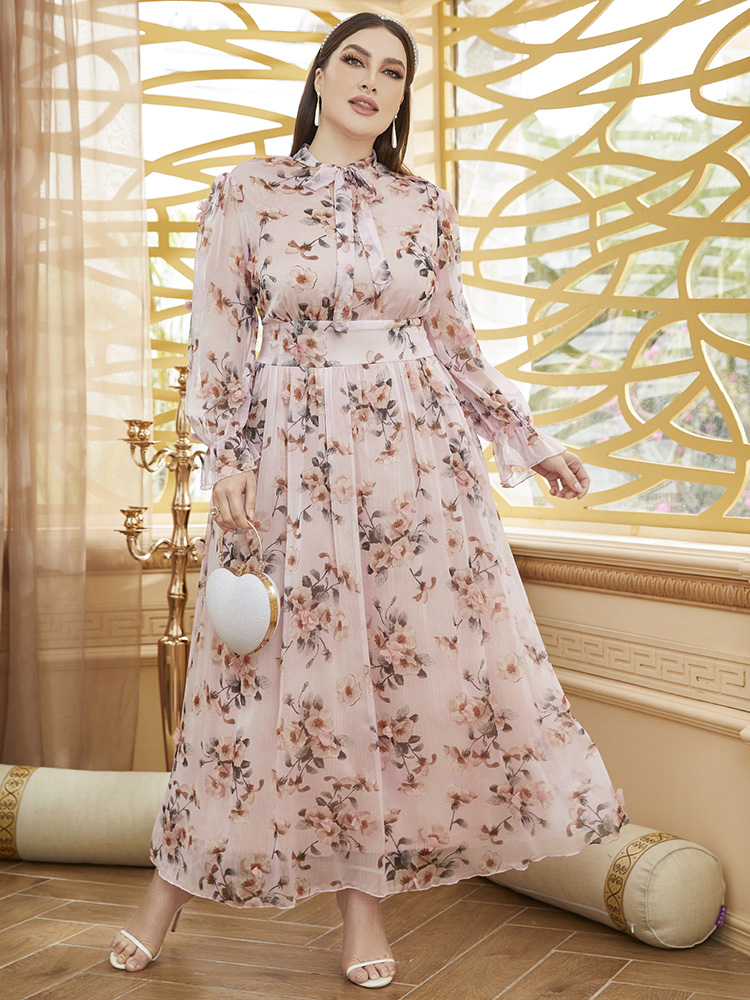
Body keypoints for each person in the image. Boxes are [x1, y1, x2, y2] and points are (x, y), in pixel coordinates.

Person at [110, 11, 629, 989]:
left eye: (393, 72)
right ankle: (162, 897)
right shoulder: (246, 192)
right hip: (288, 453)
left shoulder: (423, 206)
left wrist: (533, 440)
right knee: (246, 684)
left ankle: (364, 914)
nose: (371, 81)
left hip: (413, 463)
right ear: (319, 75)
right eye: (354, 60)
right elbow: (218, 339)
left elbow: (455, 344)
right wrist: (229, 463)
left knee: (385, 681)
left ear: (400, 98)